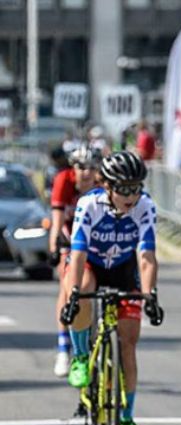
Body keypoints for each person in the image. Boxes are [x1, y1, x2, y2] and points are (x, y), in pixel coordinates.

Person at [64, 151, 165, 425]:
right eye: (123, 188)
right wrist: (73, 296)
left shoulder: (145, 206)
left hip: (123, 268)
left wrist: (150, 295)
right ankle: (81, 357)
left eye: (136, 187)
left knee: (128, 345)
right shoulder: (88, 205)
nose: (131, 195)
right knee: (82, 286)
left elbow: (146, 257)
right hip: (92, 264)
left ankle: (126, 420)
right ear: (106, 185)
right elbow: (79, 254)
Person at [49, 145, 102, 377]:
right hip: (70, 236)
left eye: (91, 167)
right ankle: (64, 348)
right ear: (73, 167)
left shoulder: (103, 184)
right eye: (81, 167)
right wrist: (54, 245)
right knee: (68, 285)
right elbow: (57, 218)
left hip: (97, 239)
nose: (86, 173)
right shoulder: (64, 180)